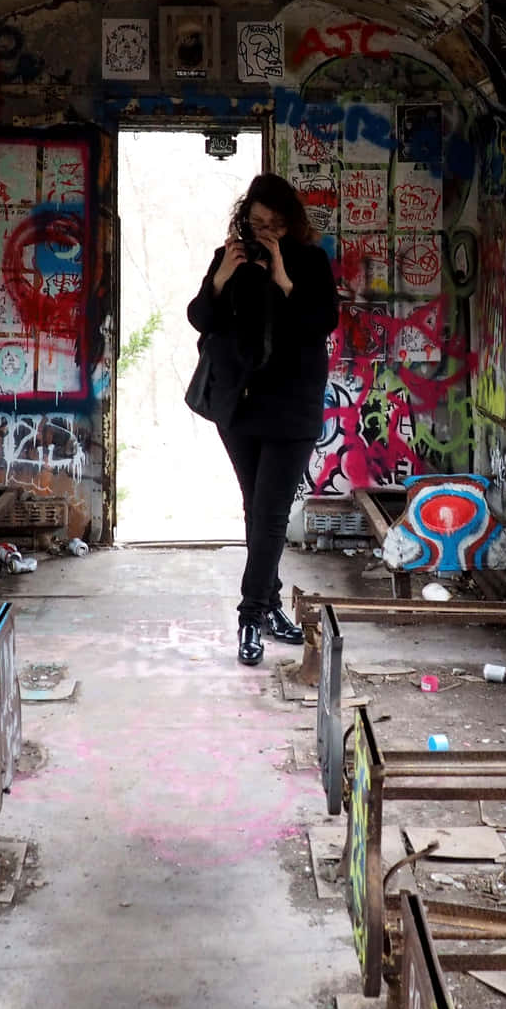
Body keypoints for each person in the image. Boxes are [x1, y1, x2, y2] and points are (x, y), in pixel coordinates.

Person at [186, 174, 340, 666]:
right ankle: (271, 605)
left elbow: (321, 325)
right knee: (257, 510)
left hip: (292, 406)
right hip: (238, 405)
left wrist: (284, 279)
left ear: (289, 223)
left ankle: (250, 616)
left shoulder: (311, 262)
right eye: (256, 223)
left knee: (271, 514)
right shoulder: (228, 258)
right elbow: (200, 318)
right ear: (244, 219)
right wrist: (221, 278)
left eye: (274, 224)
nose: (265, 232)